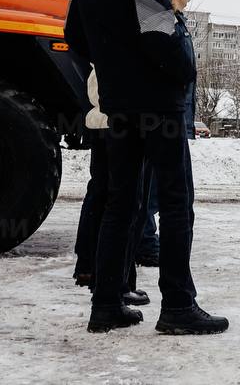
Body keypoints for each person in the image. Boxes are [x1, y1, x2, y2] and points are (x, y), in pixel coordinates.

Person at [64, 0, 227, 335]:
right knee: (176, 203)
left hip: (117, 102)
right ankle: (178, 305)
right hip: (158, 104)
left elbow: (74, 34)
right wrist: (183, 69)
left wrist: (112, 66)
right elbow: (158, 32)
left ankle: (105, 303)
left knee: (120, 203)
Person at [71, 68, 151, 307]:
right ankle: (117, 284)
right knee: (124, 206)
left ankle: (93, 271)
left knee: (101, 198)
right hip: (121, 117)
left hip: (102, 117)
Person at [137, 0, 195, 267]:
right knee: (161, 191)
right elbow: (178, 67)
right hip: (165, 117)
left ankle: (153, 243)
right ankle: (148, 245)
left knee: (165, 190)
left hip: (175, 116)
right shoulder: (164, 21)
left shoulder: (176, 21)